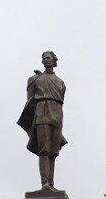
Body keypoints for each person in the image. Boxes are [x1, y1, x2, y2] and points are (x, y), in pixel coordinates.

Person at [16, 50, 68, 191]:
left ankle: (51, 183)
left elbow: (61, 100)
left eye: (48, 57)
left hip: (57, 114)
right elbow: (29, 102)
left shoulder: (61, 82)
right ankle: (44, 183)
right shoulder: (34, 79)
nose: (46, 60)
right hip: (42, 113)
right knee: (44, 149)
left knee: (53, 151)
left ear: (54, 60)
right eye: (44, 58)